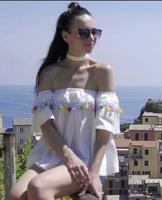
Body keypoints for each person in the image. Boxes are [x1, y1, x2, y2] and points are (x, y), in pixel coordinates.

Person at [10, 2, 121, 200]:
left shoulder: (102, 72)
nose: (92, 37)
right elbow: (45, 123)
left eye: (95, 32)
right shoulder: (50, 73)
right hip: (54, 154)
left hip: (87, 159)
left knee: (38, 187)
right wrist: (68, 157)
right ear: (65, 36)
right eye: (84, 32)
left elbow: (105, 127)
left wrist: (94, 173)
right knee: (14, 196)